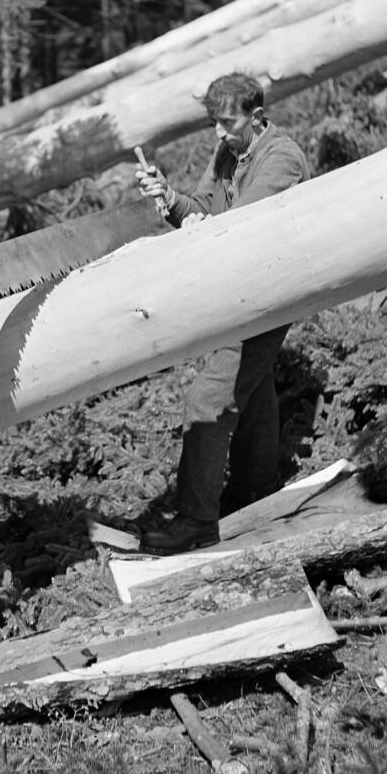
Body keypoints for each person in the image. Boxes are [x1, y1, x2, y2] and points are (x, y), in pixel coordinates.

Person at [134, 74, 310, 555]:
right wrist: (169, 198)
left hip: (270, 293)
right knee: (252, 389)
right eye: (214, 122)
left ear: (257, 117)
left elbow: (240, 227)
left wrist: (204, 226)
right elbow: (201, 208)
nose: (218, 132)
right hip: (239, 293)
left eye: (227, 122)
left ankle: (196, 522)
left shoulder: (282, 159)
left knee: (207, 401)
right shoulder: (229, 152)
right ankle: (255, 492)